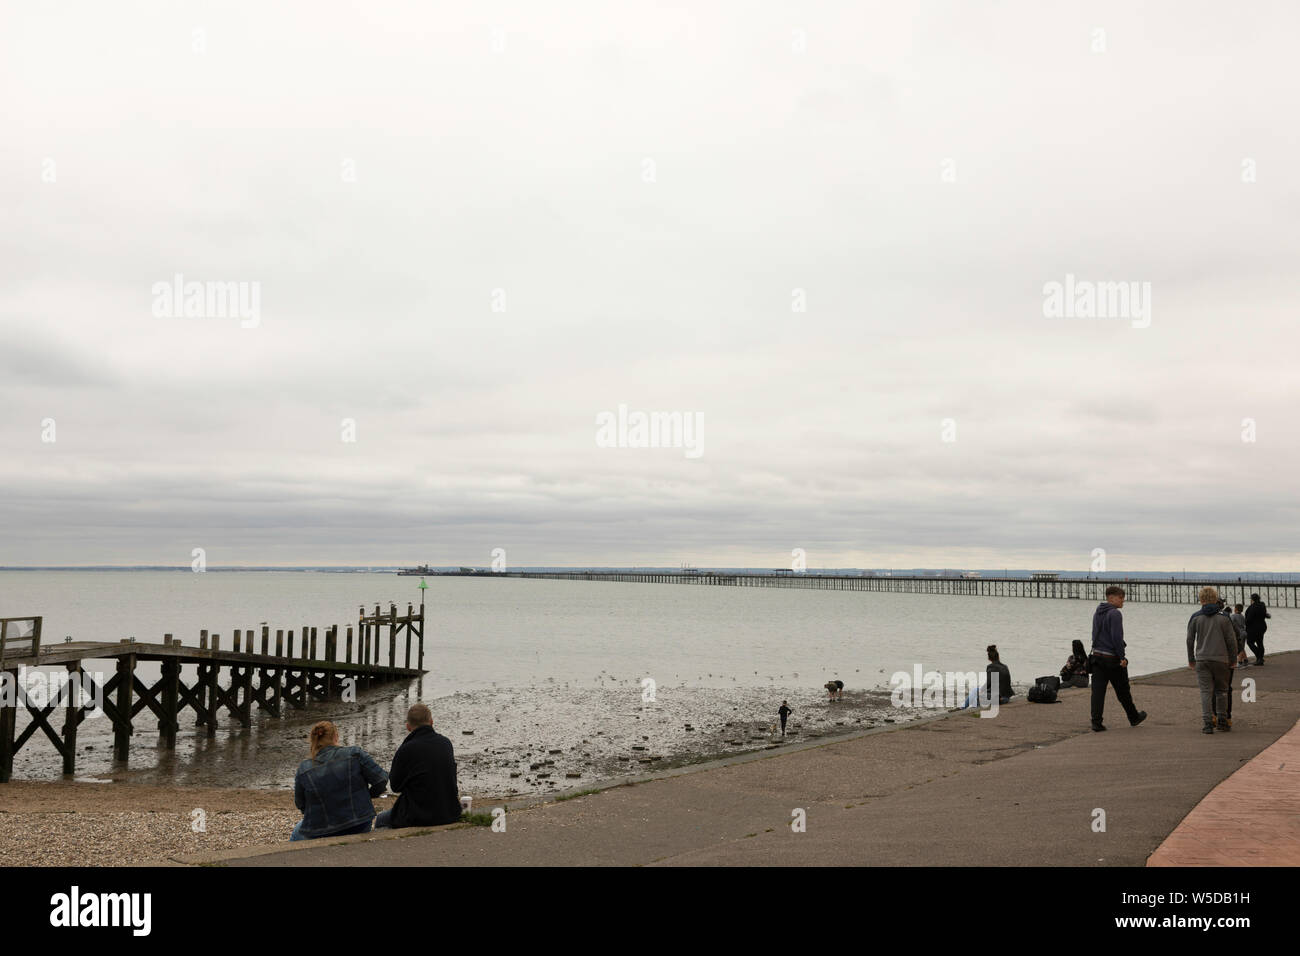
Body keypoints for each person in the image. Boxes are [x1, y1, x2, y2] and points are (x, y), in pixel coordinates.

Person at [291, 720, 389, 841]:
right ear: (336, 737)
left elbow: (300, 804)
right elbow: (381, 779)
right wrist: (366, 796)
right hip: (358, 823)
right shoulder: (355, 754)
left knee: (296, 833)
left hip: (321, 828)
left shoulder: (304, 768)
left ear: (314, 741)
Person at [374, 703, 463, 829]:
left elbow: (395, 786)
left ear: (408, 727)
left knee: (381, 820)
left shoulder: (405, 750)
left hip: (419, 815)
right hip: (449, 811)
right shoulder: (446, 743)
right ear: (431, 722)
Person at [1089, 586, 1148, 732]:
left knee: (1097, 692)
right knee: (1122, 690)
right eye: (1121, 597)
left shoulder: (1098, 611)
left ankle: (1096, 722)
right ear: (1111, 597)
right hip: (1111, 658)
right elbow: (1117, 638)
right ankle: (1133, 717)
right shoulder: (1115, 614)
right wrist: (1122, 657)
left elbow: (1094, 633)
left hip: (1097, 657)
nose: (1123, 601)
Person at [1187, 586, 1238, 733]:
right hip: (1221, 659)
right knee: (1222, 690)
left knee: (1205, 691)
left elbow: (1190, 640)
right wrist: (1233, 659)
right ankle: (1222, 721)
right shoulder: (1224, 617)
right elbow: (1231, 641)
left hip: (1202, 659)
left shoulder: (1195, 617)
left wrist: (1191, 659)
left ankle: (1208, 723)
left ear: (1201, 599)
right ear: (1215, 599)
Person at [1244, 593, 1270, 665]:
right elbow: (1265, 614)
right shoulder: (1262, 605)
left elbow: (1249, 619)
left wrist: (1245, 625)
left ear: (1252, 599)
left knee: (1250, 642)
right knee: (1260, 642)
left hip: (1253, 628)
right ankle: (1260, 659)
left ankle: (1259, 657)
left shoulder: (1252, 607)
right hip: (1262, 626)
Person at [1230, 604, 1249, 668]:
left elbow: (1230, 623)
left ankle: (1239, 661)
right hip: (1244, 632)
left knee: (1239, 648)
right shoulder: (1242, 616)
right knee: (1242, 647)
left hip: (1239, 633)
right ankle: (1245, 659)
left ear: (1236, 609)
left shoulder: (1233, 616)